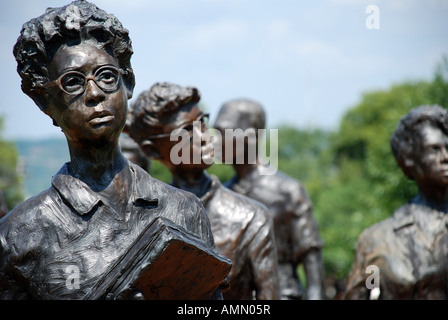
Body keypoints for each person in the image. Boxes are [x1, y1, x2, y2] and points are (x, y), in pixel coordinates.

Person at [0, 0, 223, 299]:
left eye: (106, 76)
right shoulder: (17, 236)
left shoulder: (185, 211)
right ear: (45, 102)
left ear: (127, 83)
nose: (94, 93)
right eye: (73, 82)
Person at [125, 82, 280, 300]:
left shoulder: (251, 218)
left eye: (202, 123)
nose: (205, 136)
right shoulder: (139, 218)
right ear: (152, 149)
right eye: (187, 130)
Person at [214, 98, 326, 300]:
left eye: (222, 133)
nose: (215, 140)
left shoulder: (287, 191)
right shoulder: (223, 194)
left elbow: (314, 274)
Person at [345, 105, 448, 300]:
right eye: (434, 150)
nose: (446, 157)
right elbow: (364, 294)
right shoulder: (377, 240)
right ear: (408, 159)